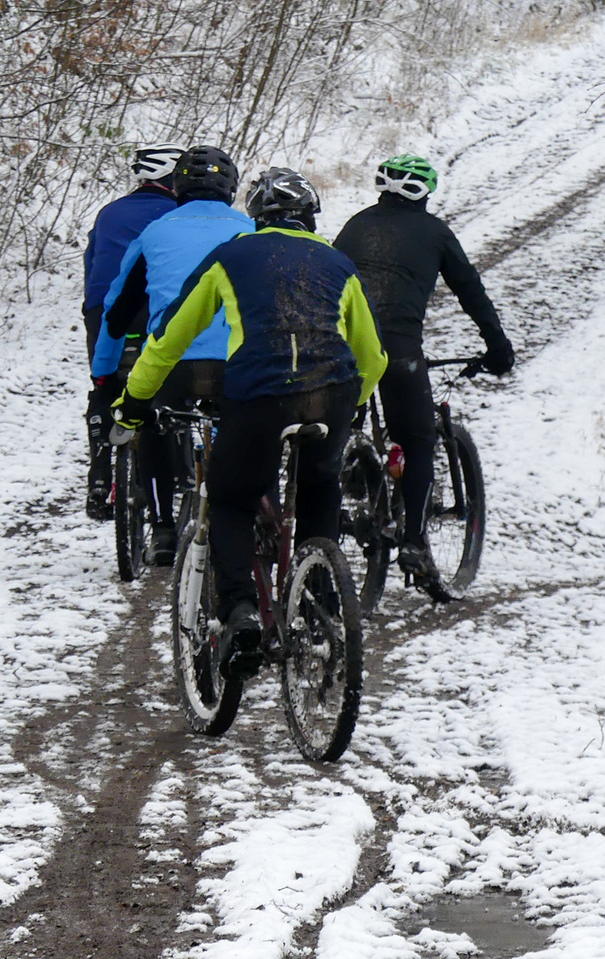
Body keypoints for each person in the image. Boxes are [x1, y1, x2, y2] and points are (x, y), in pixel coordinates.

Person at [115, 168, 387, 679]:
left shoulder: (230, 256)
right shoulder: (337, 264)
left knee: (231, 498)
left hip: (260, 396)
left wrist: (133, 401)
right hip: (332, 393)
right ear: (309, 219)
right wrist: (351, 407)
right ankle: (317, 599)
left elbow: (168, 339)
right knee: (319, 490)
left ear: (257, 218)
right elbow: (372, 358)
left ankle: (239, 613)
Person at [333, 154, 514, 586]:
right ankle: (413, 542)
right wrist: (497, 347)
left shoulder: (355, 225)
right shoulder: (435, 232)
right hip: (397, 348)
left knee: (338, 427)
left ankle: (348, 485)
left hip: (338, 344)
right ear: (425, 193)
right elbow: (470, 291)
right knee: (416, 440)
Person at [88, 145, 250, 562]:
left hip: (171, 361)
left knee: (151, 423)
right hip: (239, 363)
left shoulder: (155, 233)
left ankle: (160, 531)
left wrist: (104, 372)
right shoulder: (252, 230)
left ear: (177, 186)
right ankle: (244, 518)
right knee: (248, 431)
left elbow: (117, 311)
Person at [80, 143, 184, 519]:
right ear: (172, 178)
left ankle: (99, 476)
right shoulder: (179, 213)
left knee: (105, 387)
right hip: (156, 311)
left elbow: (92, 265)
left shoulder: (108, 213)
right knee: (163, 391)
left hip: (104, 311)